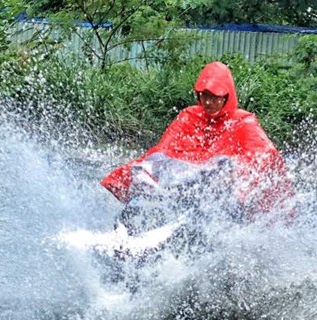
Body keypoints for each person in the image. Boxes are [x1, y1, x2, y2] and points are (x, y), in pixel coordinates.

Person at [100, 61, 294, 220]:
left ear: (227, 97)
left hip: (223, 195)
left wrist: (241, 186)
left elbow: (263, 158)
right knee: (148, 167)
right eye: (204, 96)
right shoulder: (190, 115)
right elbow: (164, 149)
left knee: (223, 167)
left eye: (215, 97)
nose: (208, 102)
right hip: (185, 184)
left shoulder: (243, 122)